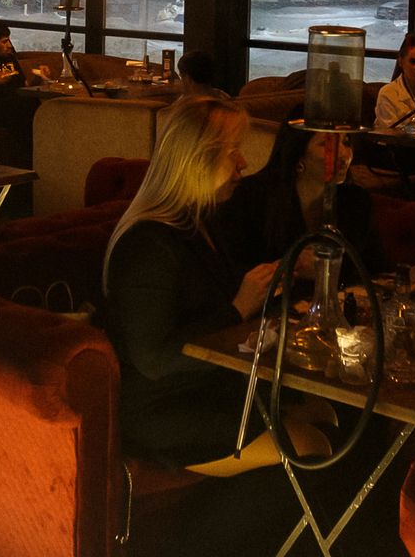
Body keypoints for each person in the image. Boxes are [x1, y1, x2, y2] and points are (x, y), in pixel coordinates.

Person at [102, 96, 331, 475]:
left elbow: (210, 300)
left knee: (332, 414)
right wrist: (238, 309)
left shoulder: (203, 221)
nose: (243, 162)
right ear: (196, 159)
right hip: (162, 408)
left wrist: (271, 286)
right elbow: (154, 359)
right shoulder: (148, 243)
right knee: (312, 446)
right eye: (232, 151)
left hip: (209, 387)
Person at [215, 126, 389, 279]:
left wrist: (327, 270)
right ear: (298, 153)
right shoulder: (250, 197)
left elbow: (377, 269)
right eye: (326, 144)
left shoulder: (357, 201)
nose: (343, 153)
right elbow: (230, 273)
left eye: (346, 142)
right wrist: (289, 268)